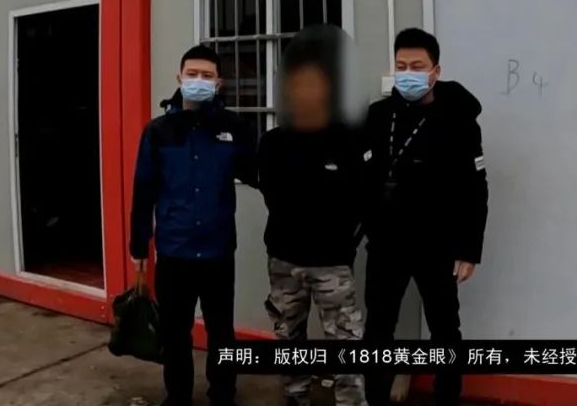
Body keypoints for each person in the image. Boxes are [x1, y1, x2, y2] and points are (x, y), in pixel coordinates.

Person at [362, 28, 488, 406]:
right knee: (378, 328)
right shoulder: (378, 115)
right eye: (401, 66)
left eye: (417, 66)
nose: (408, 74)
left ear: (436, 71)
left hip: (438, 244)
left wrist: (469, 249)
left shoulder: (459, 118)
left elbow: (475, 187)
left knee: (445, 330)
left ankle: (446, 397)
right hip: (386, 243)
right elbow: (362, 177)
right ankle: (375, 398)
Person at [129, 45, 257, 406]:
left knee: (221, 332)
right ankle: (178, 396)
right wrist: (139, 244)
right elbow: (143, 190)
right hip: (175, 251)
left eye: (207, 76)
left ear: (218, 83)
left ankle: (223, 394)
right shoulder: (158, 132)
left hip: (218, 251)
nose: (198, 81)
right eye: (192, 74)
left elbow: (256, 173)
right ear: (179, 77)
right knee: (175, 333)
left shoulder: (233, 127)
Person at [257, 26, 370, 406]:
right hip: (284, 262)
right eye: (297, 84)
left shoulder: (347, 140)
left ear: (327, 88)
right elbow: (273, 196)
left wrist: (339, 235)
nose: (304, 91)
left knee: (346, 343)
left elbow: (358, 197)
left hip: (333, 263)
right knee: (288, 340)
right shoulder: (273, 143)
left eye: (312, 83)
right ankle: (296, 397)